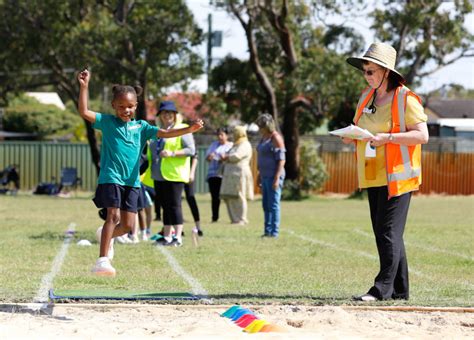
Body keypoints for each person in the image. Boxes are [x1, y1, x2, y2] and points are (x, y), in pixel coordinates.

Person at [78, 69, 203, 276]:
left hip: (132, 181)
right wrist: (84, 86)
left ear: (135, 106)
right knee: (113, 215)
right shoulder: (108, 122)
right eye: (120, 107)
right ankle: (102, 261)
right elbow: (84, 111)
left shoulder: (142, 127)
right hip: (111, 177)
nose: (125, 110)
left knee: (127, 226)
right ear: (113, 106)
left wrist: (189, 130)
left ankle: (104, 235)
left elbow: (166, 133)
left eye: (129, 107)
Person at [342, 43, 429, 301]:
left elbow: (422, 136)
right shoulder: (366, 97)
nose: (366, 75)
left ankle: (381, 290)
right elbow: (359, 127)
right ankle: (400, 291)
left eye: (371, 71)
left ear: (386, 72)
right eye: (365, 71)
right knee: (388, 232)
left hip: (399, 177)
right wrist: (350, 136)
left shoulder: (405, 98)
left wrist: (388, 138)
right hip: (373, 174)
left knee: (387, 232)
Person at [150, 101, 195, 247]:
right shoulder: (158, 130)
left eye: (170, 113)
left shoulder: (182, 129)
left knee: (175, 206)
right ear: (160, 116)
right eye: (164, 113)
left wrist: (173, 153)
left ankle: (178, 237)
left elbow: (191, 150)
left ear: (176, 115)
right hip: (159, 174)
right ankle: (167, 236)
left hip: (175, 174)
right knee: (164, 206)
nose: (167, 115)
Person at [255, 114, 286, 238]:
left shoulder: (276, 138)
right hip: (264, 175)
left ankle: (274, 232)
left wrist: (277, 178)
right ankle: (267, 231)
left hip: (274, 176)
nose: (259, 129)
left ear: (266, 126)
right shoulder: (263, 137)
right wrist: (259, 175)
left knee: (273, 204)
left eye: (260, 126)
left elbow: (281, 160)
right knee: (266, 204)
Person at [220, 126, 254, 225]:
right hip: (230, 175)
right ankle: (234, 219)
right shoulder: (235, 144)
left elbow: (237, 156)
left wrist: (226, 157)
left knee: (240, 196)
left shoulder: (245, 144)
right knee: (229, 197)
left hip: (239, 174)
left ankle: (242, 218)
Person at [205, 127, 233, 223]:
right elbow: (207, 158)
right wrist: (210, 156)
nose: (220, 137)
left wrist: (224, 158)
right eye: (218, 135)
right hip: (213, 175)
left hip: (226, 175)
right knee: (215, 197)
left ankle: (233, 217)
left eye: (222, 135)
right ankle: (215, 217)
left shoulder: (231, 146)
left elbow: (232, 158)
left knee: (228, 197)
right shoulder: (214, 145)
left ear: (227, 135)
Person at [184, 152, 203, 236]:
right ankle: (176, 228)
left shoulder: (188, 138)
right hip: (175, 173)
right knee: (175, 201)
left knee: (190, 198)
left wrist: (192, 172)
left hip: (187, 174)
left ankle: (198, 227)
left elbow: (195, 157)